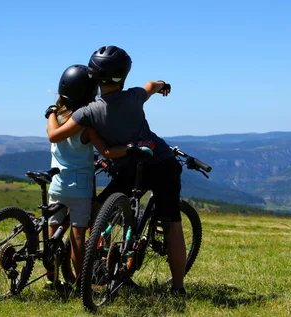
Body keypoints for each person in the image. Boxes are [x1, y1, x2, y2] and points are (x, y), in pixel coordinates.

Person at [47, 46, 187, 296]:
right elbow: (151, 85)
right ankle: (178, 288)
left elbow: (56, 135)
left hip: (128, 167)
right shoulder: (134, 96)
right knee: (172, 224)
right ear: (123, 76)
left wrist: (51, 112)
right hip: (161, 161)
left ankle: (100, 266)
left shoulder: (87, 112)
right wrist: (164, 84)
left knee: (99, 211)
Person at [45, 64, 126, 288]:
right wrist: (130, 147)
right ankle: (83, 282)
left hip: (57, 184)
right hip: (79, 188)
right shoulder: (86, 127)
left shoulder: (55, 118)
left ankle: (51, 278)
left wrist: (51, 111)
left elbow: (52, 130)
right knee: (78, 235)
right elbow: (107, 152)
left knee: (53, 228)